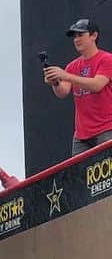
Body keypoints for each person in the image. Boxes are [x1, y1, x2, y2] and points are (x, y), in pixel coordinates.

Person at [43, 18, 112, 156]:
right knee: (78, 176)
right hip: (81, 135)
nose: (76, 39)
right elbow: (63, 92)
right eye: (74, 36)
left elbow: (97, 85)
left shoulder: (107, 59)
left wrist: (65, 75)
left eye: (81, 35)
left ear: (94, 36)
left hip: (107, 128)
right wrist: (55, 82)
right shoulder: (72, 66)